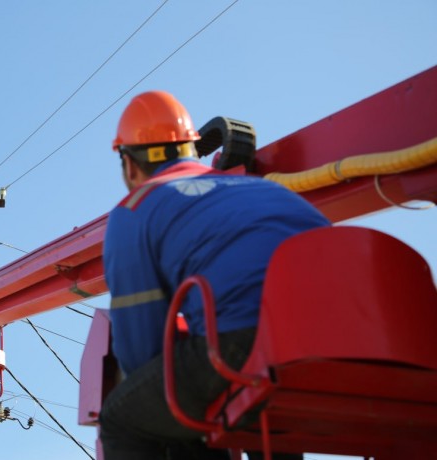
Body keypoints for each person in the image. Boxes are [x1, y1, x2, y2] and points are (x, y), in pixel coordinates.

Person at [99, 91, 331, 460]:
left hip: (246, 340)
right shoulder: (268, 189)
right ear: (192, 149)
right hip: (349, 341)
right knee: (269, 408)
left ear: (128, 164)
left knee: (127, 417)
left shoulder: (135, 209)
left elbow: (141, 348)